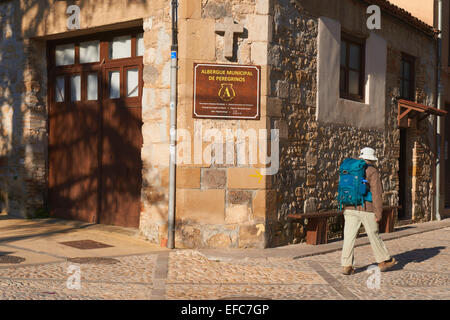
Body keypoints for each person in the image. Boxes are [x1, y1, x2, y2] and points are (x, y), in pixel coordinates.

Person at [341, 147, 397, 275]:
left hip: (350, 207)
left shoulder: (349, 169)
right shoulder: (372, 171)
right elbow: (376, 193)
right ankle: (383, 261)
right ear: (371, 159)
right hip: (367, 209)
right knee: (374, 235)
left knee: (349, 237)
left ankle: (346, 265)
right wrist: (378, 213)